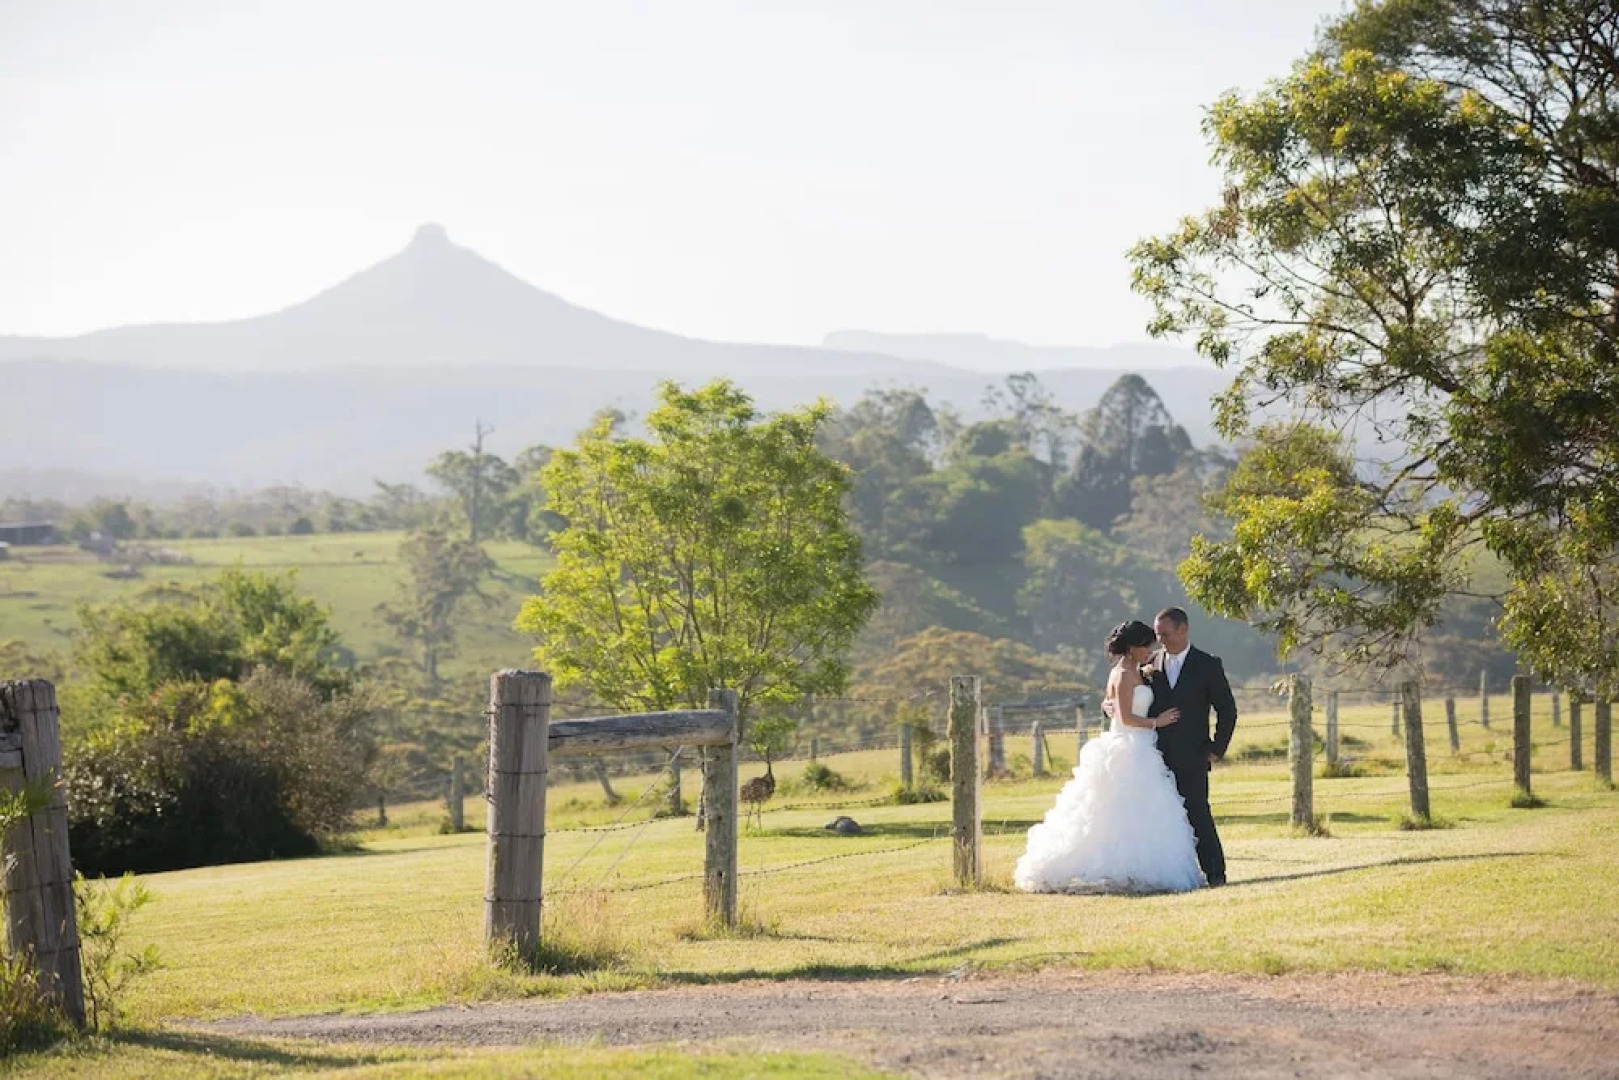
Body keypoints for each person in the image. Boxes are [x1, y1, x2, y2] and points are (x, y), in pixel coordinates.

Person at [1013, 620, 1204, 894]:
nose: (1149, 650)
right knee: (1119, 808)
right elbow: (1125, 717)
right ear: (1132, 647)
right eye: (1144, 645)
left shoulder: (1134, 671)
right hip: (1128, 747)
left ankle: (1139, 868)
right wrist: (1156, 722)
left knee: (1140, 809)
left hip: (1140, 747)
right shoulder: (1124, 675)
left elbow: (1110, 705)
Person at [1143, 606, 1238, 886]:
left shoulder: (1208, 664)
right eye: (1157, 635)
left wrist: (1216, 748)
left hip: (1193, 755)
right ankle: (1169, 874)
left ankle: (1215, 873)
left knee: (1198, 813)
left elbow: (1227, 711)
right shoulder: (1148, 664)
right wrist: (1108, 705)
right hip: (1154, 757)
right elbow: (1128, 699)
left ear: (1183, 630)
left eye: (1165, 634)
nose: (1160, 640)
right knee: (1161, 816)